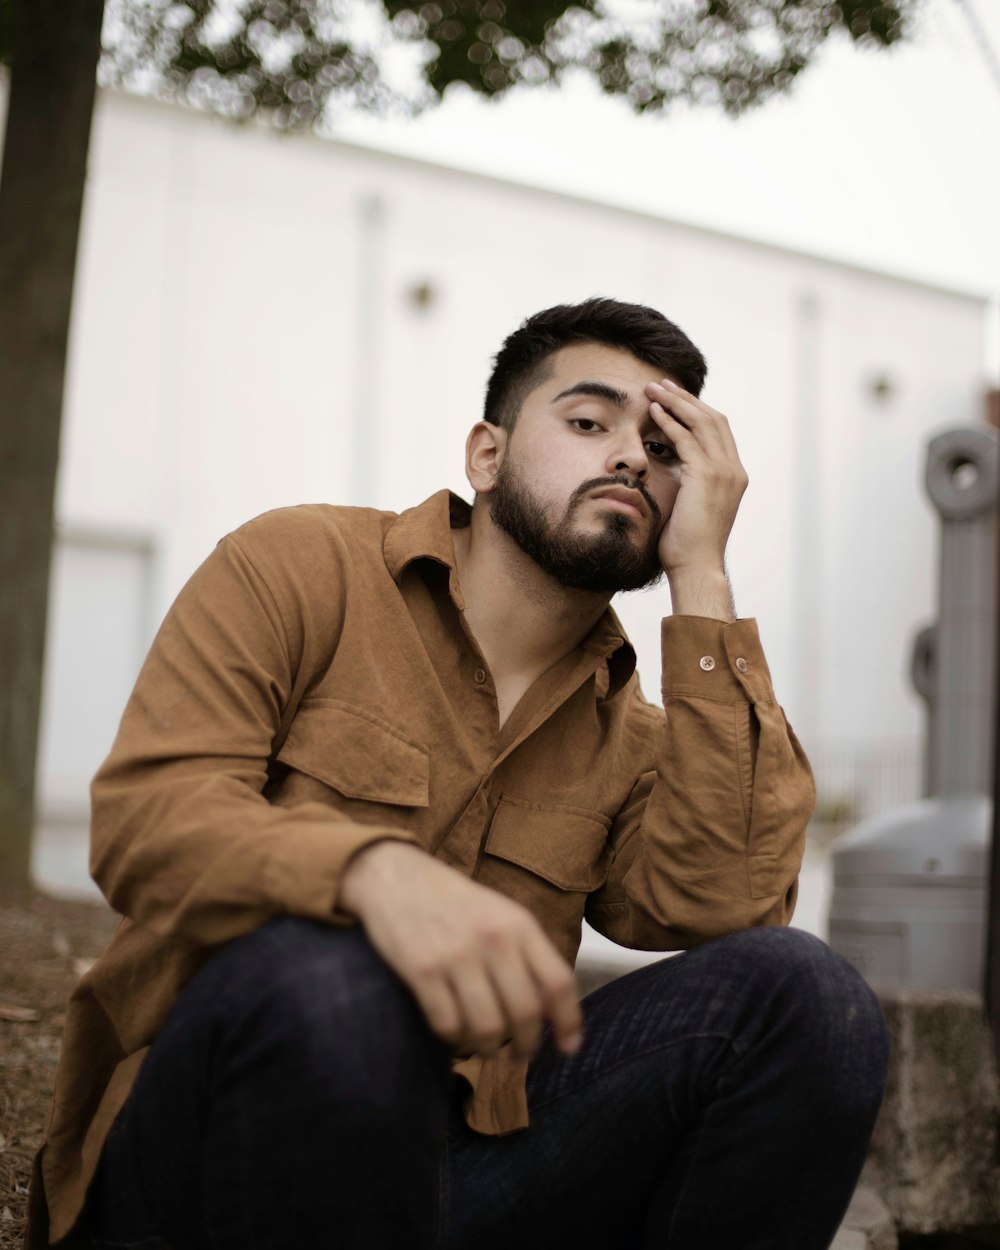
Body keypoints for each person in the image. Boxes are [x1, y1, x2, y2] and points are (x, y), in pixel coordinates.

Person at [28, 298, 888, 1250]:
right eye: (589, 422)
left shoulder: (634, 737)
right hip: (217, 1141)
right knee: (341, 967)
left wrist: (705, 581)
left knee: (808, 997)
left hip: (462, 1172)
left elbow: (725, 907)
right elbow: (147, 820)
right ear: (486, 455)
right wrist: (364, 874)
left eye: (662, 446)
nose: (632, 458)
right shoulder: (303, 567)